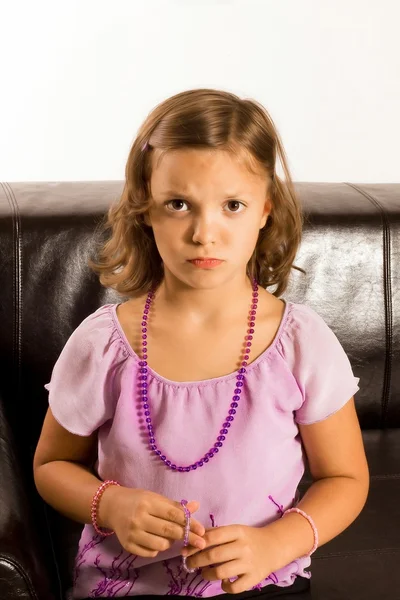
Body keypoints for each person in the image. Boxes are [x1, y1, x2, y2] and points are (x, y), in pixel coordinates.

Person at [33, 88, 369, 600]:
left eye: (232, 205)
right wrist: (111, 504)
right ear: (145, 209)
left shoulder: (301, 344)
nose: (204, 232)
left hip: (259, 582)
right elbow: (50, 466)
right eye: (178, 204)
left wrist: (275, 544)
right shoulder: (104, 345)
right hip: (123, 585)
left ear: (265, 210)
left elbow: (345, 478)